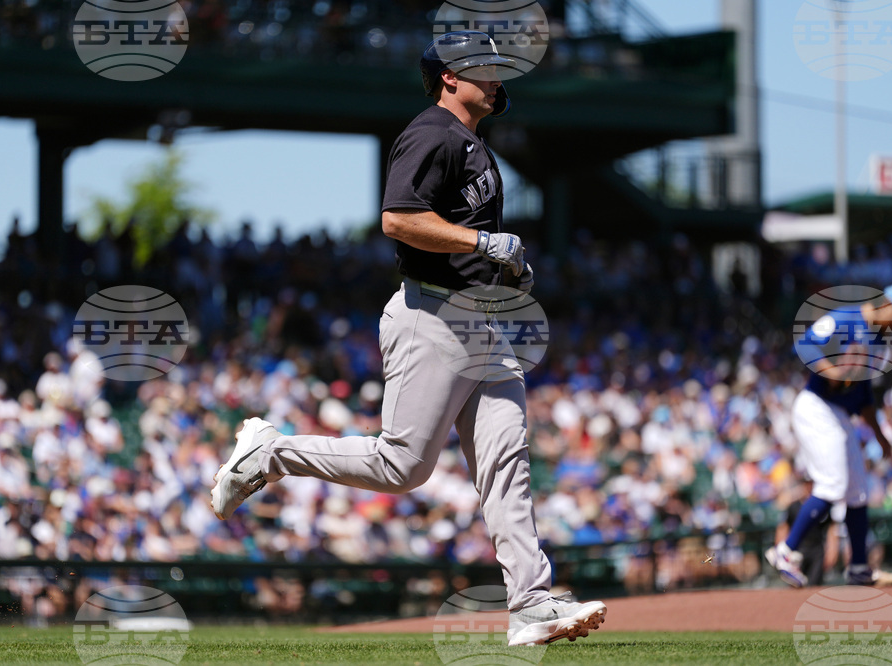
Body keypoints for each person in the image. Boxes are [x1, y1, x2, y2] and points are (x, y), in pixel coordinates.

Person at [212, 31, 606, 646]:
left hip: (482, 323)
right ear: (449, 76)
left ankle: (530, 603)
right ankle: (270, 453)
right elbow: (398, 218)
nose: (497, 77)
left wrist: (504, 268)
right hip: (433, 315)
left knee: (507, 465)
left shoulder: (472, 142)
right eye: (484, 67)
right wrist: (482, 243)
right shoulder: (433, 133)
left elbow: (463, 239)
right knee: (400, 466)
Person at [766, 283, 892, 587]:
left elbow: (863, 397)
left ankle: (859, 568)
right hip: (817, 406)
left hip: (840, 413)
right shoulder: (846, 318)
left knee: (858, 490)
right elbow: (805, 344)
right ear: (886, 305)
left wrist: (880, 436)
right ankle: (786, 551)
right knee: (833, 483)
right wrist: (833, 371)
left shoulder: (878, 341)